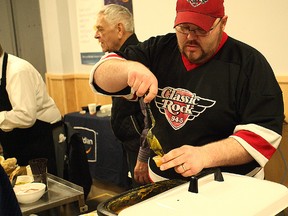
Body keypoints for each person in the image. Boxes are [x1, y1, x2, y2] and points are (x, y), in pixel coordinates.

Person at [89, 0, 284, 182]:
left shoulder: (249, 64)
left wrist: (205, 155)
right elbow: (101, 74)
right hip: (166, 181)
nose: (190, 37)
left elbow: (262, 135)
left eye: (200, 29)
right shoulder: (158, 49)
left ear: (222, 23)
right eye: (184, 28)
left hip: (230, 183)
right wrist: (128, 69)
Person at [93, 4, 150, 187]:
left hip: (141, 151)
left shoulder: (136, 59)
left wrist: (143, 156)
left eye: (100, 29)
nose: (96, 35)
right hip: (131, 145)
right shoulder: (120, 59)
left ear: (119, 29)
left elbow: (149, 116)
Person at [0, 43, 62, 175]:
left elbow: (26, 116)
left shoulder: (17, 71)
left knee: (45, 188)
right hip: (16, 140)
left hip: (39, 137)